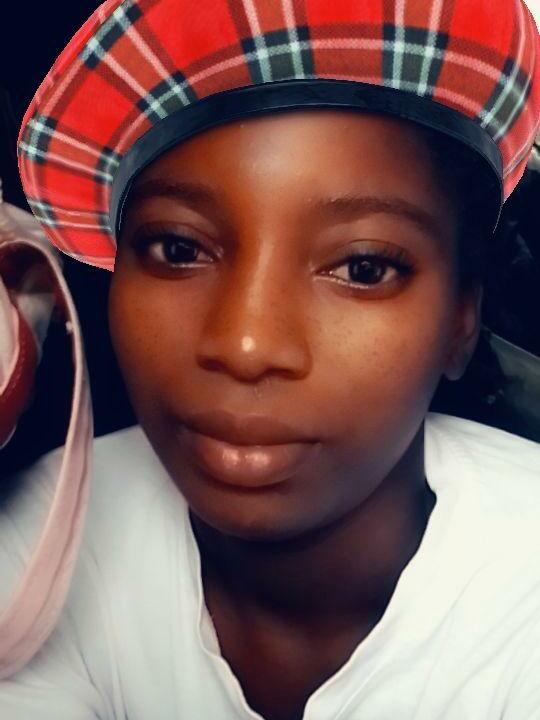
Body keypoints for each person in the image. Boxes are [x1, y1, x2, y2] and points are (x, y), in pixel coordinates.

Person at [1, 0, 540, 718]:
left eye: (363, 267)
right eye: (178, 249)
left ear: (460, 322)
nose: (246, 345)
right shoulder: (42, 543)